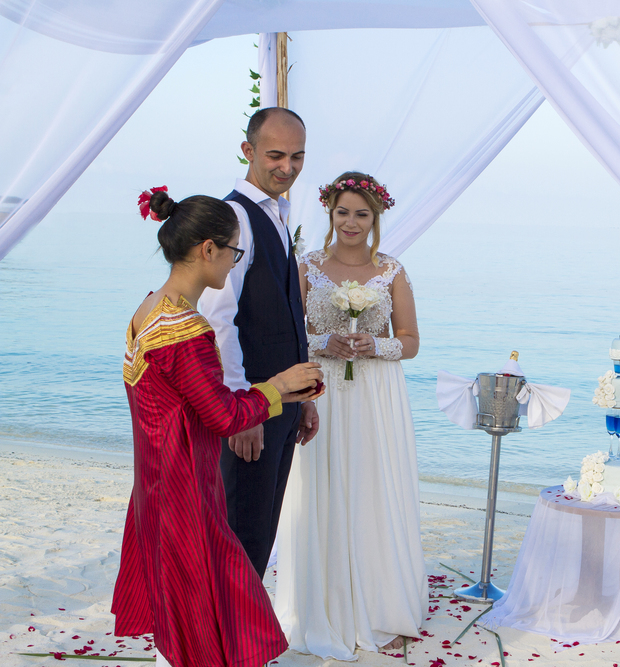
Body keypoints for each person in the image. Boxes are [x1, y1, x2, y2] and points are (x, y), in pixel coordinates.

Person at [112, 188, 324, 667]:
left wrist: (282, 393)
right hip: (185, 492)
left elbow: (195, 402)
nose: (234, 263)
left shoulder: (150, 309)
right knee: (207, 614)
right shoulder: (184, 331)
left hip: (156, 486)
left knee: (194, 610)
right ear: (208, 249)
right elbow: (223, 417)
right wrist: (278, 385)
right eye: (234, 252)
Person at [275, 171, 427, 660]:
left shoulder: (392, 270)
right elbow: (289, 332)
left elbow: (410, 341)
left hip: (377, 395)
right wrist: (325, 341)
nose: (351, 222)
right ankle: (322, 602)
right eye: (343, 212)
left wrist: (374, 345)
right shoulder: (307, 266)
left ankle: (379, 602)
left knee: (372, 487)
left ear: (375, 218)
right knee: (321, 487)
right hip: (322, 390)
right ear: (331, 213)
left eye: (362, 214)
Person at [199, 106, 317, 578]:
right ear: (248, 150)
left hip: (281, 404)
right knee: (241, 535)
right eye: (275, 155)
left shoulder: (278, 214)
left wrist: (304, 397)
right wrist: (239, 407)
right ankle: (224, 625)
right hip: (251, 407)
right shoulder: (234, 216)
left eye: (297, 156)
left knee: (261, 534)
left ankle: (241, 621)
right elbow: (218, 318)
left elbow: (284, 311)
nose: (287, 167)